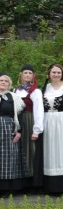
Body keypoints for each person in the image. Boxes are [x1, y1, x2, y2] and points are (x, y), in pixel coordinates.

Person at [13, 64, 44, 190]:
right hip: (18, 122)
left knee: (30, 150)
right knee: (19, 150)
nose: (27, 75)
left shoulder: (35, 91)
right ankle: (20, 181)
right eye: (25, 73)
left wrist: (36, 130)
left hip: (30, 120)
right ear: (21, 75)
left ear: (33, 76)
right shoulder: (15, 91)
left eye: (30, 73)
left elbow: (39, 110)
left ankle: (31, 182)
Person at [42, 64, 63, 194]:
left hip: (61, 120)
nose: (56, 74)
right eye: (53, 72)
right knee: (49, 151)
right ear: (49, 74)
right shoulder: (44, 88)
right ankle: (50, 186)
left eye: (58, 72)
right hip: (47, 121)